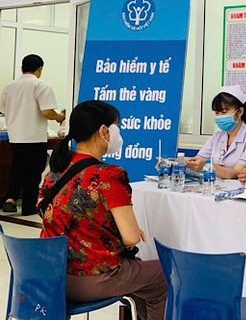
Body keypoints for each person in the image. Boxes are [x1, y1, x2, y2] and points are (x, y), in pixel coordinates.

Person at [38, 100, 166, 320]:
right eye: (117, 128)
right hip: (90, 278)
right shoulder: (109, 175)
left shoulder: (55, 172)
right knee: (164, 276)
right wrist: (130, 232)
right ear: (104, 131)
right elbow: (131, 238)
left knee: (142, 278)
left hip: (50, 275)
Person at [0, 54, 65, 215]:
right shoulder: (41, 85)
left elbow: (4, 110)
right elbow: (47, 112)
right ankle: (28, 207)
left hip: (14, 137)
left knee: (16, 168)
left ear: (22, 68)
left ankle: (10, 199)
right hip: (34, 138)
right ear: (40, 69)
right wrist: (59, 116)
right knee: (33, 172)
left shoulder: (9, 87)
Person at [186, 85, 246, 179]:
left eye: (224, 112)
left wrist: (206, 165)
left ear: (240, 112)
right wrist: (191, 163)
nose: (219, 117)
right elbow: (200, 158)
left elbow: (236, 172)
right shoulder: (216, 136)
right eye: (217, 113)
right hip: (212, 184)